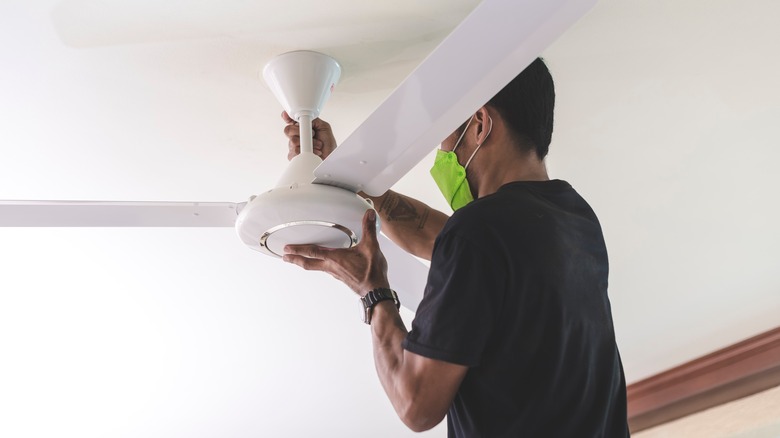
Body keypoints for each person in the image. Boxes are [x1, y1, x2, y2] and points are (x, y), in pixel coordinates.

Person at [282, 58, 630, 437]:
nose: (444, 152)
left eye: (447, 135)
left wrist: (372, 291)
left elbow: (414, 404)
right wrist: (352, 177)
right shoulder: (575, 219)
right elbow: (441, 237)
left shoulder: (480, 232)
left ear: (480, 125)